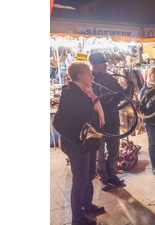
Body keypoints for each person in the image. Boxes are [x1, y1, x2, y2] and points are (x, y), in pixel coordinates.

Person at [53, 61, 105, 225]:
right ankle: (77, 217)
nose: (92, 76)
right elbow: (59, 123)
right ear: (79, 76)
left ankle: (87, 205)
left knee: (89, 175)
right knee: (80, 179)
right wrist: (77, 140)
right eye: (89, 73)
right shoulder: (71, 94)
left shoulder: (87, 92)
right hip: (78, 146)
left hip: (88, 143)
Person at [89, 52, 126, 191]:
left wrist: (124, 93)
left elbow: (120, 94)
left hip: (112, 120)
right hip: (97, 122)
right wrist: (113, 102)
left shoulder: (110, 78)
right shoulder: (90, 80)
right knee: (99, 152)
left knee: (113, 150)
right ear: (96, 65)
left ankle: (113, 175)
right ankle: (103, 178)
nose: (106, 65)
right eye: (103, 63)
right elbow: (93, 102)